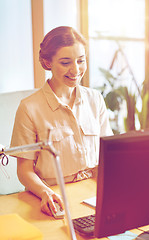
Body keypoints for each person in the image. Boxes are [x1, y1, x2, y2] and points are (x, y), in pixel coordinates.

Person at [10, 26, 113, 217]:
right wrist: (45, 192)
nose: (76, 70)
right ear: (47, 62)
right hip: (52, 196)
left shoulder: (95, 99)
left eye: (81, 61)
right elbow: (24, 171)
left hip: (92, 194)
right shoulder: (29, 108)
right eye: (65, 62)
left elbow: (108, 156)